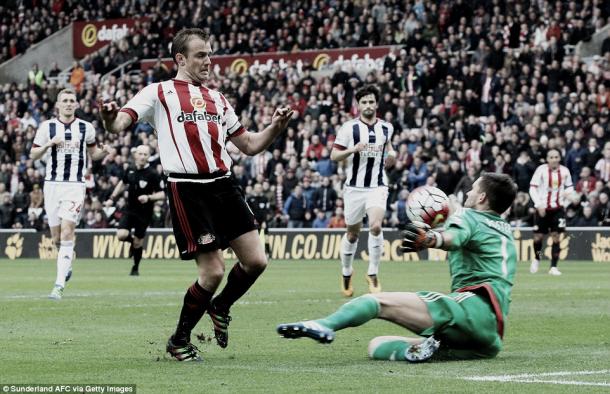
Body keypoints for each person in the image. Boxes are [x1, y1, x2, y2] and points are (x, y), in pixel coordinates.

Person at [99, 28, 293, 362]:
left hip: (224, 184)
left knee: (257, 261)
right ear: (181, 58)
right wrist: (107, 117)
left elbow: (249, 145)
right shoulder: (158, 93)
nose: (208, 60)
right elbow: (118, 124)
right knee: (213, 272)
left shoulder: (218, 99)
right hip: (188, 190)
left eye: (209, 54)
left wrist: (275, 127)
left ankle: (220, 306)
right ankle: (179, 340)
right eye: (201, 55)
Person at [277, 173, 518, 363]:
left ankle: (323, 324)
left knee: (376, 302)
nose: (468, 192)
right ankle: (427, 349)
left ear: (482, 198)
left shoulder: (468, 216)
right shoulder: (505, 232)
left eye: (473, 189)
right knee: (377, 345)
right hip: (490, 338)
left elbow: (456, 237)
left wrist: (431, 239)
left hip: (470, 310)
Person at [30, 88, 109, 300]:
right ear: (57, 105)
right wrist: (49, 144)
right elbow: (33, 154)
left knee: (67, 232)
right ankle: (66, 267)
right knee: (56, 237)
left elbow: (94, 154)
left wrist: (104, 152)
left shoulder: (86, 128)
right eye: (64, 101)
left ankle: (58, 286)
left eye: (71, 101)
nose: (68, 104)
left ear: (77, 105)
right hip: (52, 185)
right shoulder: (47, 127)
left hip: (75, 185)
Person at [330, 85, 396, 296]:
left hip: (377, 185)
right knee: (352, 234)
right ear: (358, 106)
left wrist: (392, 156)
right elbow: (334, 155)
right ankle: (347, 273)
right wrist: (352, 149)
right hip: (354, 189)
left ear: (376, 104)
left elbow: (389, 149)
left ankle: (373, 273)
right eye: (364, 102)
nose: (368, 105)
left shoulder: (387, 128)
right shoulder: (349, 128)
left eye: (371, 101)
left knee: (376, 226)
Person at [104, 145, 165, 276]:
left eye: (145, 154)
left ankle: (135, 267)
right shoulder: (130, 169)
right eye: (140, 154)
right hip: (129, 209)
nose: (142, 157)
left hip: (144, 213)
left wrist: (148, 197)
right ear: (135, 155)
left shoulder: (153, 174)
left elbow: (162, 195)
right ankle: (132, 244)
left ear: (148, 156)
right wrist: (112, 198)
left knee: (139, 242)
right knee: (121, 235)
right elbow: (122, 183)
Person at [528, 149, 574, 276]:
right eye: (551, 157)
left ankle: (553, 267)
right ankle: (537, 258)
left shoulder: (565, 171)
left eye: (556, 157)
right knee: (538, 237)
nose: (554, 159)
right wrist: (538, 204)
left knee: (556, 236)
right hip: (542, 208)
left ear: (559, 158)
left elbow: (570, 187)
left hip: (558, 209)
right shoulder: (541, 170)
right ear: (547, 159)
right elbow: (532, 188)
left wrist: (568, 196)